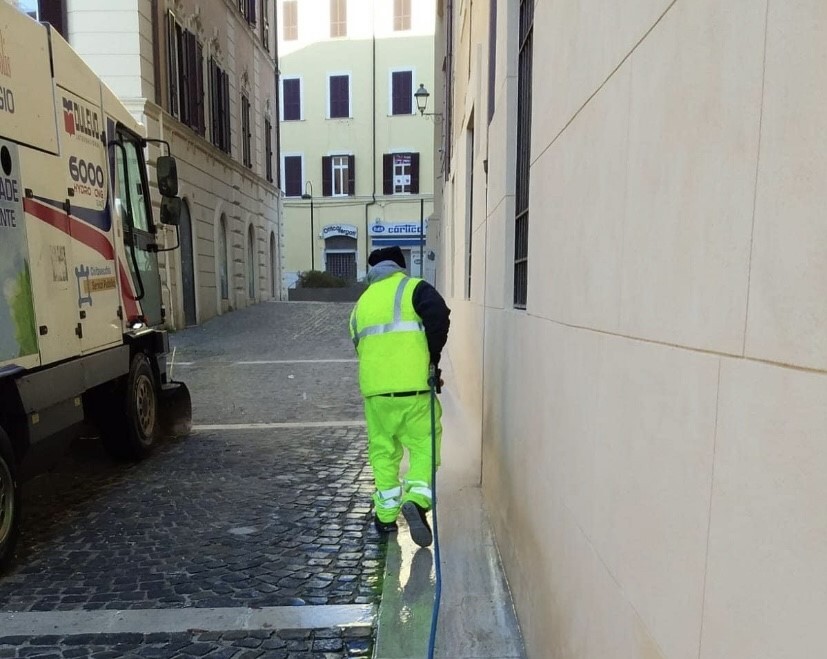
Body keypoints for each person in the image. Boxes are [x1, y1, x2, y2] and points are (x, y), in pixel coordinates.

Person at [349, 246, 450, 547]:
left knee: (383, 451)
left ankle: (385, 516)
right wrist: (432, 358)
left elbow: (360, 346)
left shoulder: (361, 304)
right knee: (424, 443)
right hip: (415, 389)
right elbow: (439, 316)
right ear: (400, 266)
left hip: (376, 395)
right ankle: (417, 500)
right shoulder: (414, 288)